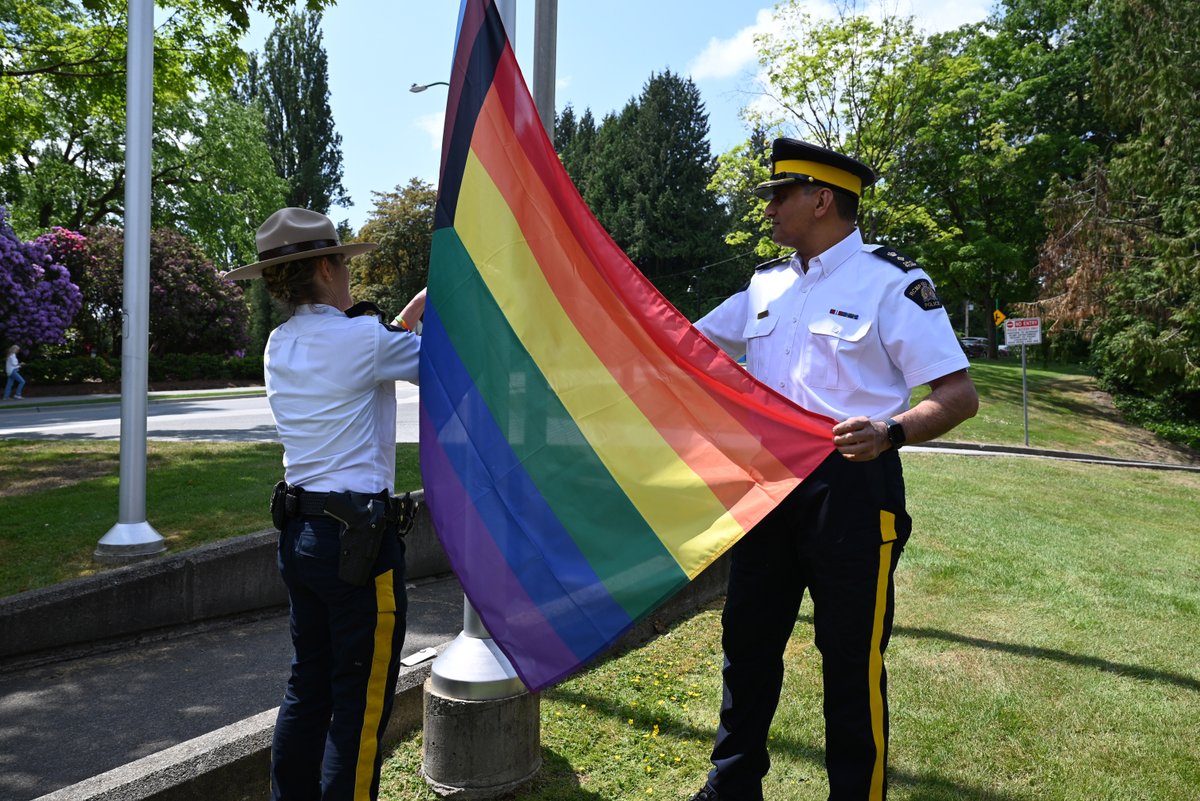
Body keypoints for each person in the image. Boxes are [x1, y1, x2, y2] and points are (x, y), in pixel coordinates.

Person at [688, 140, 979, 801]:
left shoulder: (892, 282)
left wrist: (892, 430)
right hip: (767, 485)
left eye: (779, 195)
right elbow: (688, 343)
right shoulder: (765, 283)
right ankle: (732, 787)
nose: (767, 208)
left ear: (822, 199)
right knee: (748, 643)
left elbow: (958, 393)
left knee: (849, 660)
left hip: (851, 486)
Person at [223, 207, 427, 801]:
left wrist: (401, 321)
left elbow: (360, 355)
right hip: (358, 544)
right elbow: (442, 368)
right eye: (343, 262)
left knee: (307, 687)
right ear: (324, 267)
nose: (349, 275)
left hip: (301, 535)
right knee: (360, 706)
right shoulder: (364, 339)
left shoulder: (280, 342)